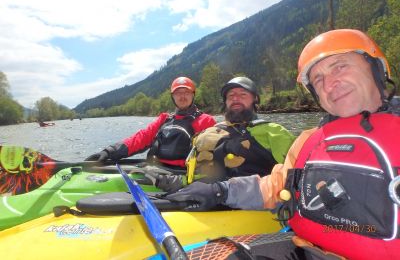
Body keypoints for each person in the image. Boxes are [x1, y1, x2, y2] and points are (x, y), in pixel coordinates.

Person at [166, 29, 400, 259]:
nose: (330, 84)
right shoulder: (309, 141)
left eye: (340, 66)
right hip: (306, 250)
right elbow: (276, 185)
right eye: (318, 79)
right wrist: (220, 191)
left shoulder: (273, 132)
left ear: (376, 68)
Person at [156, 76, 295, 193]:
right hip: (212, 198)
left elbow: (296, 177)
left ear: (255, 99)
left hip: (256, 203)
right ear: (226, 102)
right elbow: (200, 173)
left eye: (243, 94)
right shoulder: (210, 133)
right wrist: (181, 182)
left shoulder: (274, 132)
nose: (235, 99)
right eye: (231, 96)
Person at [85, 77, 216, 169]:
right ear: (172, 97)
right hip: (156, 171)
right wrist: (109, 151)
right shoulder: (164, 119)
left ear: (193, 95)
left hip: (183, 174)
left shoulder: (206, 121)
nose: (182, 96)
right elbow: (141, 139)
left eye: (186, 92)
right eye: (178, 93)